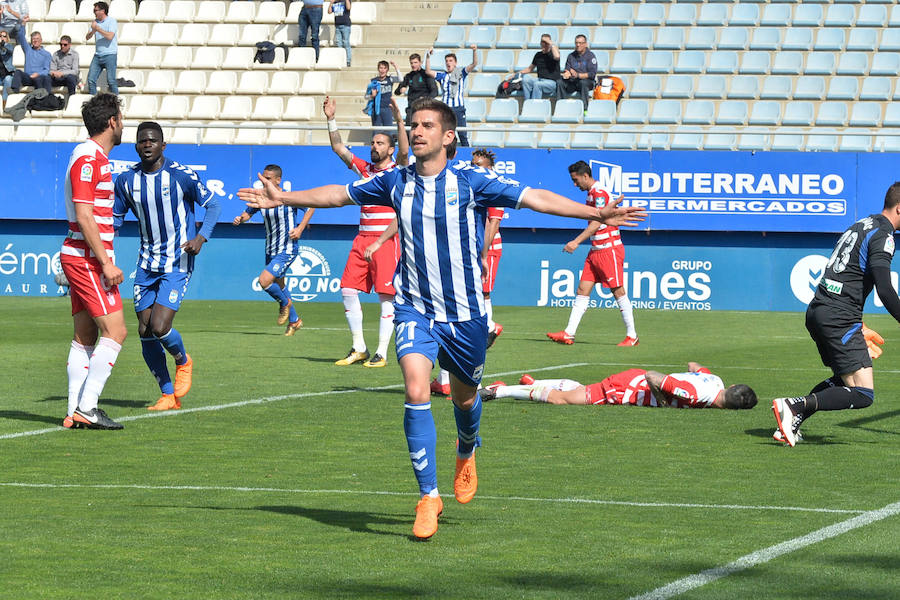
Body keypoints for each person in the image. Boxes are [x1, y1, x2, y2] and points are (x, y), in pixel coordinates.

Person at [238, 98, 646, 540]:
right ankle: (428, 496)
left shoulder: (473, 181)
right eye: (413, 124)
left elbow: (535, 199)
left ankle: (467, 449)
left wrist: (595, 213)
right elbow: (339, 194)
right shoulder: (395, 181)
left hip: (466, 315)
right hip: (415, 307)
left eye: (427, 125)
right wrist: (284, 197)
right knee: (415, 387)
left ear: (448, 137)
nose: (416, 131)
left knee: (466, 402)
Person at [772, 184, 900, 447]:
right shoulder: (884, 235)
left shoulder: (861, 224)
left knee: (844, 379)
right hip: (838, 317)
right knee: (864, 393)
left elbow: (845, 276)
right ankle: (794, 407)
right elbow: (885, 289)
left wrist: (858, 323)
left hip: (821, 310)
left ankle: (791, 420)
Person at [112, 121, 221, 411]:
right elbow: (116, 218)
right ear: (136, 146)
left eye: (152, 140)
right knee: (145, 330)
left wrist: (201, 237)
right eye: (142, 141)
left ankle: (183, 361)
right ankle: (168, 395)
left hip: (177, 260)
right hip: (146, 263)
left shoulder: (181, 176)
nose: (147, 144)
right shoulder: (125, 181)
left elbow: (214, 205)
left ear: (163, 145)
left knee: (160, 326)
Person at [323, 95, 408, 368]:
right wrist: (331, 118)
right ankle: (359, 346)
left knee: (387, 297)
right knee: (347, 289)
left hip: (387, 240)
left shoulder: (399, 171)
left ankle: (382, 352)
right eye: (373, 142)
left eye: (380, 143)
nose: (374, 146)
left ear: (390, 149)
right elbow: (338, 147)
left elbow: (405, 153)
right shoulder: (365, 169)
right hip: (362, 238)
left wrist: (399, 120)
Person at [60, 92, 127, 431]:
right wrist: (106, 263)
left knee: (85, 336)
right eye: (121, 117)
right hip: (87, 258)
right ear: (112, 122)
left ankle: (74, 411)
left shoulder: (91, 156)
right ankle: (88, 406)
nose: (123, 122)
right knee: (116, 332)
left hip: (82, 255)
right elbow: (85, 216)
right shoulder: (90, 158)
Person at [429, 148, 504, 397]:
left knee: (477, 298)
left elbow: (493, 223)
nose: (474, 167)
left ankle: (489, 327)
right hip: (466, 250)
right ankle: (444, 380)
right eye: (472, 163)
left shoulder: (491, 188)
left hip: (484, 251)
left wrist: (481, 252)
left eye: (479, 164)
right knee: (448, 307)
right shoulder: (466, 184)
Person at [547, 160, 638, 347]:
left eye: (575, 179)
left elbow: (598, 221)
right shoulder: (592, 193)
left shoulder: (599, 192)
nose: (574, 184)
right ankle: (569, 333)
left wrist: (576, 242)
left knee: (618, 291)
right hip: (596, 250)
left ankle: (632, 336)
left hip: (608, 249)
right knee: (582, 290)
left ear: (585, 176)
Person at [232, 164, 314, 336]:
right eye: (263, 178)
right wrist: (241, 218)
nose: (264, 181)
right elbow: (249, 213)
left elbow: (311, 207)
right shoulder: (262, 198)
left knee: (264, 281)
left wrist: (300, 229)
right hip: (270, 248)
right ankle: (295, 321)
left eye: (268, 179)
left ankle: (285, 304)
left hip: (287, 248)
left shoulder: (288, 197)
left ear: (278, 180)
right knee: (279, 283)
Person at [481, 364, 757, 410]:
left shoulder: (714, 380)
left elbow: (696, 365)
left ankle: (533, 384)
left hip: (628, 381)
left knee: (577, 391)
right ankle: (499, 391)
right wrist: (662, 400)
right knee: (561, 401)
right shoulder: (697, 395)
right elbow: (654, 377)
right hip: (626, 388)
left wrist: (690, 374)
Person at [425, 45, 477, 147]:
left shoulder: (461, 73)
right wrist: (428, 56)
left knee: (462, 134)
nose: (448, 63)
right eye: (447, 61)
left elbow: (474, 64)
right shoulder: (442, 76)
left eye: (451, 60)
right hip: (446, 109)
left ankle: (467, 155)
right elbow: (428, 71)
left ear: (455, 63)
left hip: (458, 108)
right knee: (445, 134)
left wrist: (474, 51)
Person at [505, 33, 560, 101]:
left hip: (552, 82)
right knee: (525, 79)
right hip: (540, 79)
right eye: (542, 42)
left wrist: (550, 43)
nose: (544, 44)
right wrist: (515, 74)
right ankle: (528, 102)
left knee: (537, 84)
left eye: (546, 42)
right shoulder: (538, 55)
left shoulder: (554, 53)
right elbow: (529, 69)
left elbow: (557, 56)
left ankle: (534, 106)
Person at [557, 34, 597, 111]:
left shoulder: (591, 56)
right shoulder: (571, 56)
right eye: (576, 43)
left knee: (583, 83)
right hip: (573, 82)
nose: (578, 45)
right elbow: (567, 69)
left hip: (587, 82)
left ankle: (584, 109)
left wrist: (578, 75)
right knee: (560, 82)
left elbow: (592, 74)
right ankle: (561, 107)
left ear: (585, 44)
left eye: (580, 43)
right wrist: (566, 74)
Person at [395, 53, 438, 124]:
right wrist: (401, 89)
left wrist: (424, 99)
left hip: (424, 108)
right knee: (410, 131)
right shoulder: (409, 76)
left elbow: (434, 92)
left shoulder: (426, 75)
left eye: (415, 62)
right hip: (411, 109)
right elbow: (396, 92)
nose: (413, 65)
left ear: (420, 63)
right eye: (411, 63)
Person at [85, 1, 117, 95]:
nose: (94, 12)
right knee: (91, 80)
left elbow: (110, 36)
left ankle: (116, 104)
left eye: (96, 10)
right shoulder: (95, 22)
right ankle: (93, 103)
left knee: (111, 81)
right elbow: (87, 37)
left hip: (110, 54)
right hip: (98, 55)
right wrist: (93, 30)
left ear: (103, 11)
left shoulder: (111, 21)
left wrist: (98, 29)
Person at [11, 26, 51, 94]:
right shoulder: (28, 50)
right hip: (28, 78)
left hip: (38, 78)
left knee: (40, 79)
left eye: (37, 39)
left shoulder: (47, 54)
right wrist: (23, 24)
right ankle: (14, 92)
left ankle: (39, 98)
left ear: (41, 40)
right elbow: (21, 36)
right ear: (31, 41)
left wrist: (38, 74)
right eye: (33, 39)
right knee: (18, 72)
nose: (35, 40)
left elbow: (47, 70)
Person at [366, 59, 401, 128]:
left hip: (387, 108)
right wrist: (372, 95)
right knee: (376, 131)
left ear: (387, 70)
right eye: (381, 68)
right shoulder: (373, 81)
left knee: (388, 130)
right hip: (376, 109)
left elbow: (401, 79)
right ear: (378, 69)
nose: (382, 70)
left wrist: (395, 66)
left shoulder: (390, 79)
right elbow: (366, 96)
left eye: (385, 68)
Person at [328, 0, 351, 67]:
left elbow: (348, 7)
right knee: (339, 44)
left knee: (346, 43)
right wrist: (331, 3)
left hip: (345, 25)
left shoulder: (346, 1)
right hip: (337, 25)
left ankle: (348, 60)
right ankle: (340, 60)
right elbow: (329, 11)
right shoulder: (335, 2)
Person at [0, 29, 13, 109]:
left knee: (8, 79)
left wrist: (3, 44)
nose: (2, 38)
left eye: (4, 36)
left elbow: (10, 51)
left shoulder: (9, 46)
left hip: (7, 75)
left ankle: (5, 104)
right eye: (0, 36)